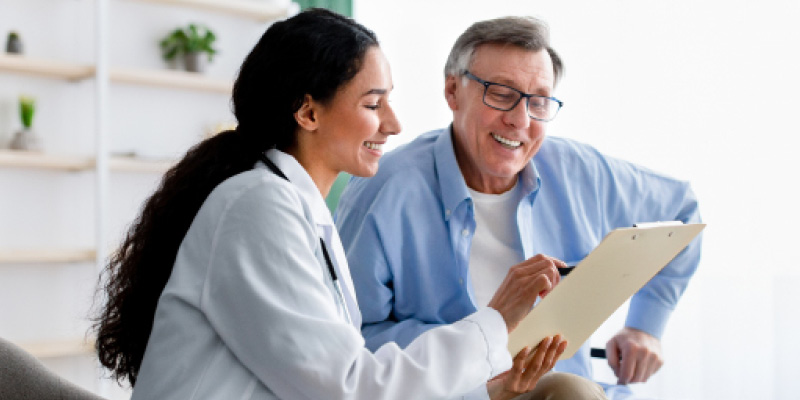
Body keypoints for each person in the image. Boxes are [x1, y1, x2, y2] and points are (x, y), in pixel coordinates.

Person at [92, 9, 571, 400]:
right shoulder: (256, 207)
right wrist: (496, 320)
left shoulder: (299, 209)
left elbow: (348, 378)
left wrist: (488, 389)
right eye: (372, 104)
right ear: (308, 111)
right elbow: (350, 391)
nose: (394, 124)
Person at [335, 15, 702, 400]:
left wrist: (645, 327)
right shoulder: (383, 190)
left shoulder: (581, 172)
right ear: (452, 91)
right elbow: (354, 339)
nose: (520, 120)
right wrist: (479, 343)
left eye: (539, 101)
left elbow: (683, 211)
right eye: (501, 93)